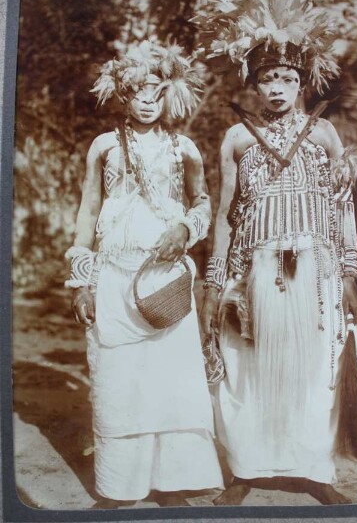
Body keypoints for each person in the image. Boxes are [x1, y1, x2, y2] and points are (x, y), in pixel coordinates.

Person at [194, 0, 357, 506]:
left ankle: (314, 469)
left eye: (287, 79)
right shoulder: (236, 139)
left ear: (301, 83)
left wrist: (348, 272)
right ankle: (246, 469)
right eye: (267, 79)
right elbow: (225, 214)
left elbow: (342, 206)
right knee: (245, 366)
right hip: (254, 268)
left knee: (314, 367)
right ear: (253, 84)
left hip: (313, 269)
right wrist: (216, 281)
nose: (277, 89)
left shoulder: (323, 133)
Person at [65, 38, 223, 508]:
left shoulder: (185, 148)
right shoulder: (104, 146)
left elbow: (202, 202)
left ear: (168, 94)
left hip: (165, 278)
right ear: (123, 95)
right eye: (138, 93)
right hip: (115, 274)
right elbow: (89, 207)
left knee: (170, 378)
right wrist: (81, 280)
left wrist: (184, 228)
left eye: (155, 92)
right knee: (119, 376)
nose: (148, 102)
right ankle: (120, 485)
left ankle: (173, 482)